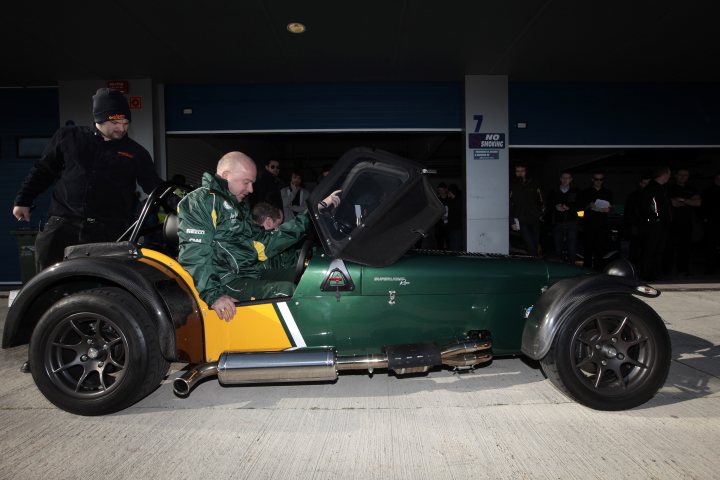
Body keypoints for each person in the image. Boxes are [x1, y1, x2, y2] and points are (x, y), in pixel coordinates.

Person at [177, 151, 340, 321]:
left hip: (250, 273)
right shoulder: (200, 201)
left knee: (310, 277)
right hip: (225, 282)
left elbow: (265, 243)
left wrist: (314, 214)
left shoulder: (237, 205)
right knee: (288, 291)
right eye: (246, 182)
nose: (251, 189)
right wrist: (214, 296)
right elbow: (194, 255)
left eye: (252, 183)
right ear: (226, 176)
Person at [12, 88, 162, 271]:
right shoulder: (69, 137)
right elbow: (42, 171)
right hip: (63, 226)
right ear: (99, 118)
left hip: (108, 231)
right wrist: (23, 200)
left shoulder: (135, 152)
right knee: (49, 281)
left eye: (125, 122)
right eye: (115, 122)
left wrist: (181, 202)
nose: (121, 128)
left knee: (103, 285)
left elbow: (154, 185)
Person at [637, 167, 672, 281]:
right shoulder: (653, 189)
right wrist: (657, 217)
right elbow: (652, 207)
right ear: (664, 175)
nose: (670, 177)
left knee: (657, 250)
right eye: (669, 174)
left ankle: (655, 273)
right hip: (654, 224)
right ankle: (647, 274)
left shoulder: (661, 188)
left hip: (659, 223)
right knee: (651, 249)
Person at [666, 168, 702, 276]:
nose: (683, 177)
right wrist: (688, 201)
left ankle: (683, 270)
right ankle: (668, 270)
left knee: (685, 247)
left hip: (687, 222)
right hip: (672, 222)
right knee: (669, 247)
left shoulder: (692, 188)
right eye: (680, 175)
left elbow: (698, 203)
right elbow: (673, 203)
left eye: (685, 175)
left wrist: (682, 200)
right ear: (675, 176)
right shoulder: (669, 188)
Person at [579, 172, 613, 270]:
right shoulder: (585, 192)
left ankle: (599, 271)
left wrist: (609, 209)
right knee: (588, 249)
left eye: (601, 179)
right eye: (596, 179)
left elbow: (610, 207)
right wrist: (588, 206)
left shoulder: (607, 192)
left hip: (602, 224)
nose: (599, 181)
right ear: (592, 180)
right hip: (589, 223)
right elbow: (579, 210)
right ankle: (586, 271)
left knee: (600, 249)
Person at [510, 163, 544, 257]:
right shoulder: (512, 186)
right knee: (530, 245)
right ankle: (535, 265)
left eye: (522, 171)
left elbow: (541, 200)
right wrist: (511, 221)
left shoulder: (534, 184)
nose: (520, 173)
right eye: (518, 171)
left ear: (526, 172)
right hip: (521, 220)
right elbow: (509, 204)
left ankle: (533, 263)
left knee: (534, 244)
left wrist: (540, 213)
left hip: (534, 219)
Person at [546, 171, 579, 264]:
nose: (565, 180)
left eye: (567, 178)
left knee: (572, 248)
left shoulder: (576, 191)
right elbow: (548, 205)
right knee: (557, 248)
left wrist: (569, 207)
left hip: (572, 222)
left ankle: (572, 269)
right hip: (558, 222)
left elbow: (580, 205)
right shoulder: (553, 191)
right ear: (560, 179)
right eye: (563, 178)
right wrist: (555, 207)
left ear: (571, 179)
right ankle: (559, 269)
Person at [622, 172, 652, 268]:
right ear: (640, 183)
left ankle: (644, 269)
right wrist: (631, 226)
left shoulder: (653, 195)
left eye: (648, 184)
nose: (646, 186)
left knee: (647, 249)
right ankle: (633, 269)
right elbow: (629, 212)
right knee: (635, 250)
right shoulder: (634, 196)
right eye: (644, 183)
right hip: (636, 227)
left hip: (649, 227)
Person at [701, 172, 720, 274]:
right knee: (711, 245)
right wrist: (705, 218)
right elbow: (703, 207)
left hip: (713, 221)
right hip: (712, 222)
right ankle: (710, 268)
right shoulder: (708, 192)